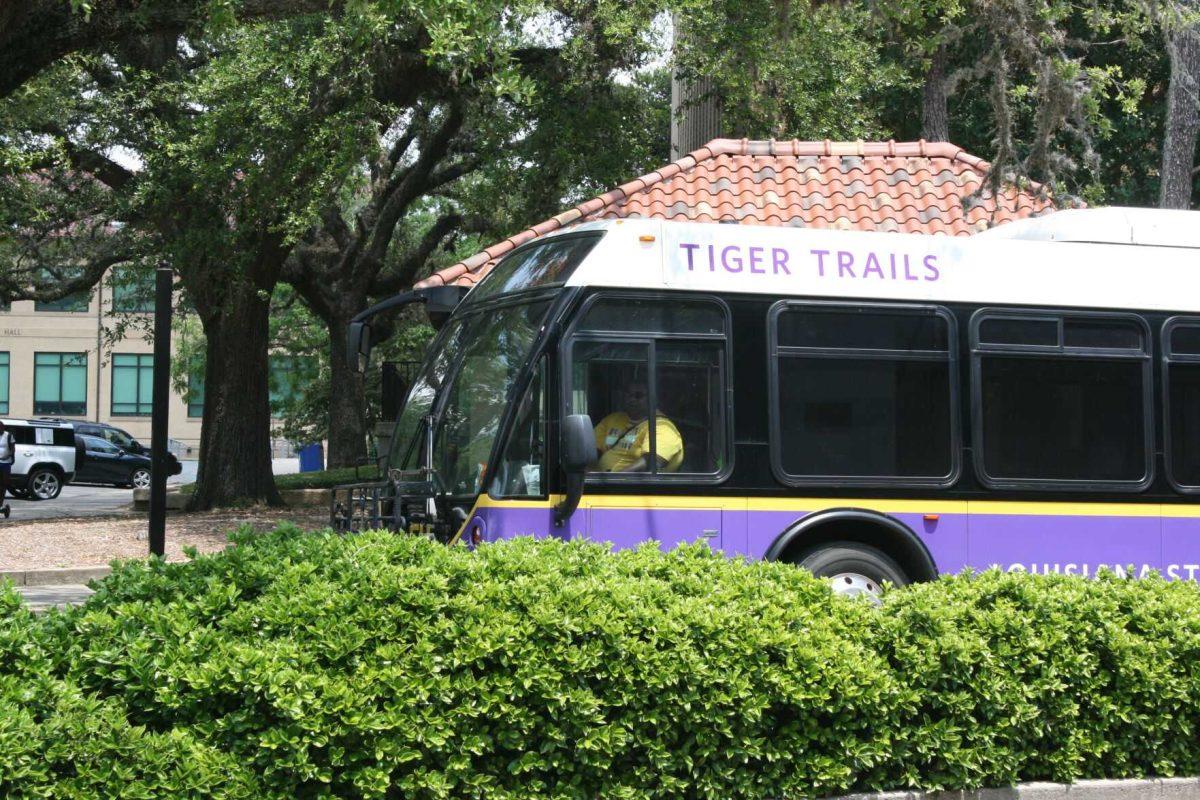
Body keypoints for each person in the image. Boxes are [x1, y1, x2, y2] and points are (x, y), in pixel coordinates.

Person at [592, 378, 684, 473]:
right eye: (628, 394)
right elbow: (592, 450)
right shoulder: (613, 419)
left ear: (652, 399)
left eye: (638, 396)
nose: (631, 399)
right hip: (597, 482)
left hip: (629, 485)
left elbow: (651, 462)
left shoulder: (663, 427)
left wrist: (615, 479)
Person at [0, 421, 12, 517]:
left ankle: (1, 505)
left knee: (3, 485)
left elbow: (13, 449)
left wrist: (7, 456)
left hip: (5, 463)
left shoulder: (8, 436)